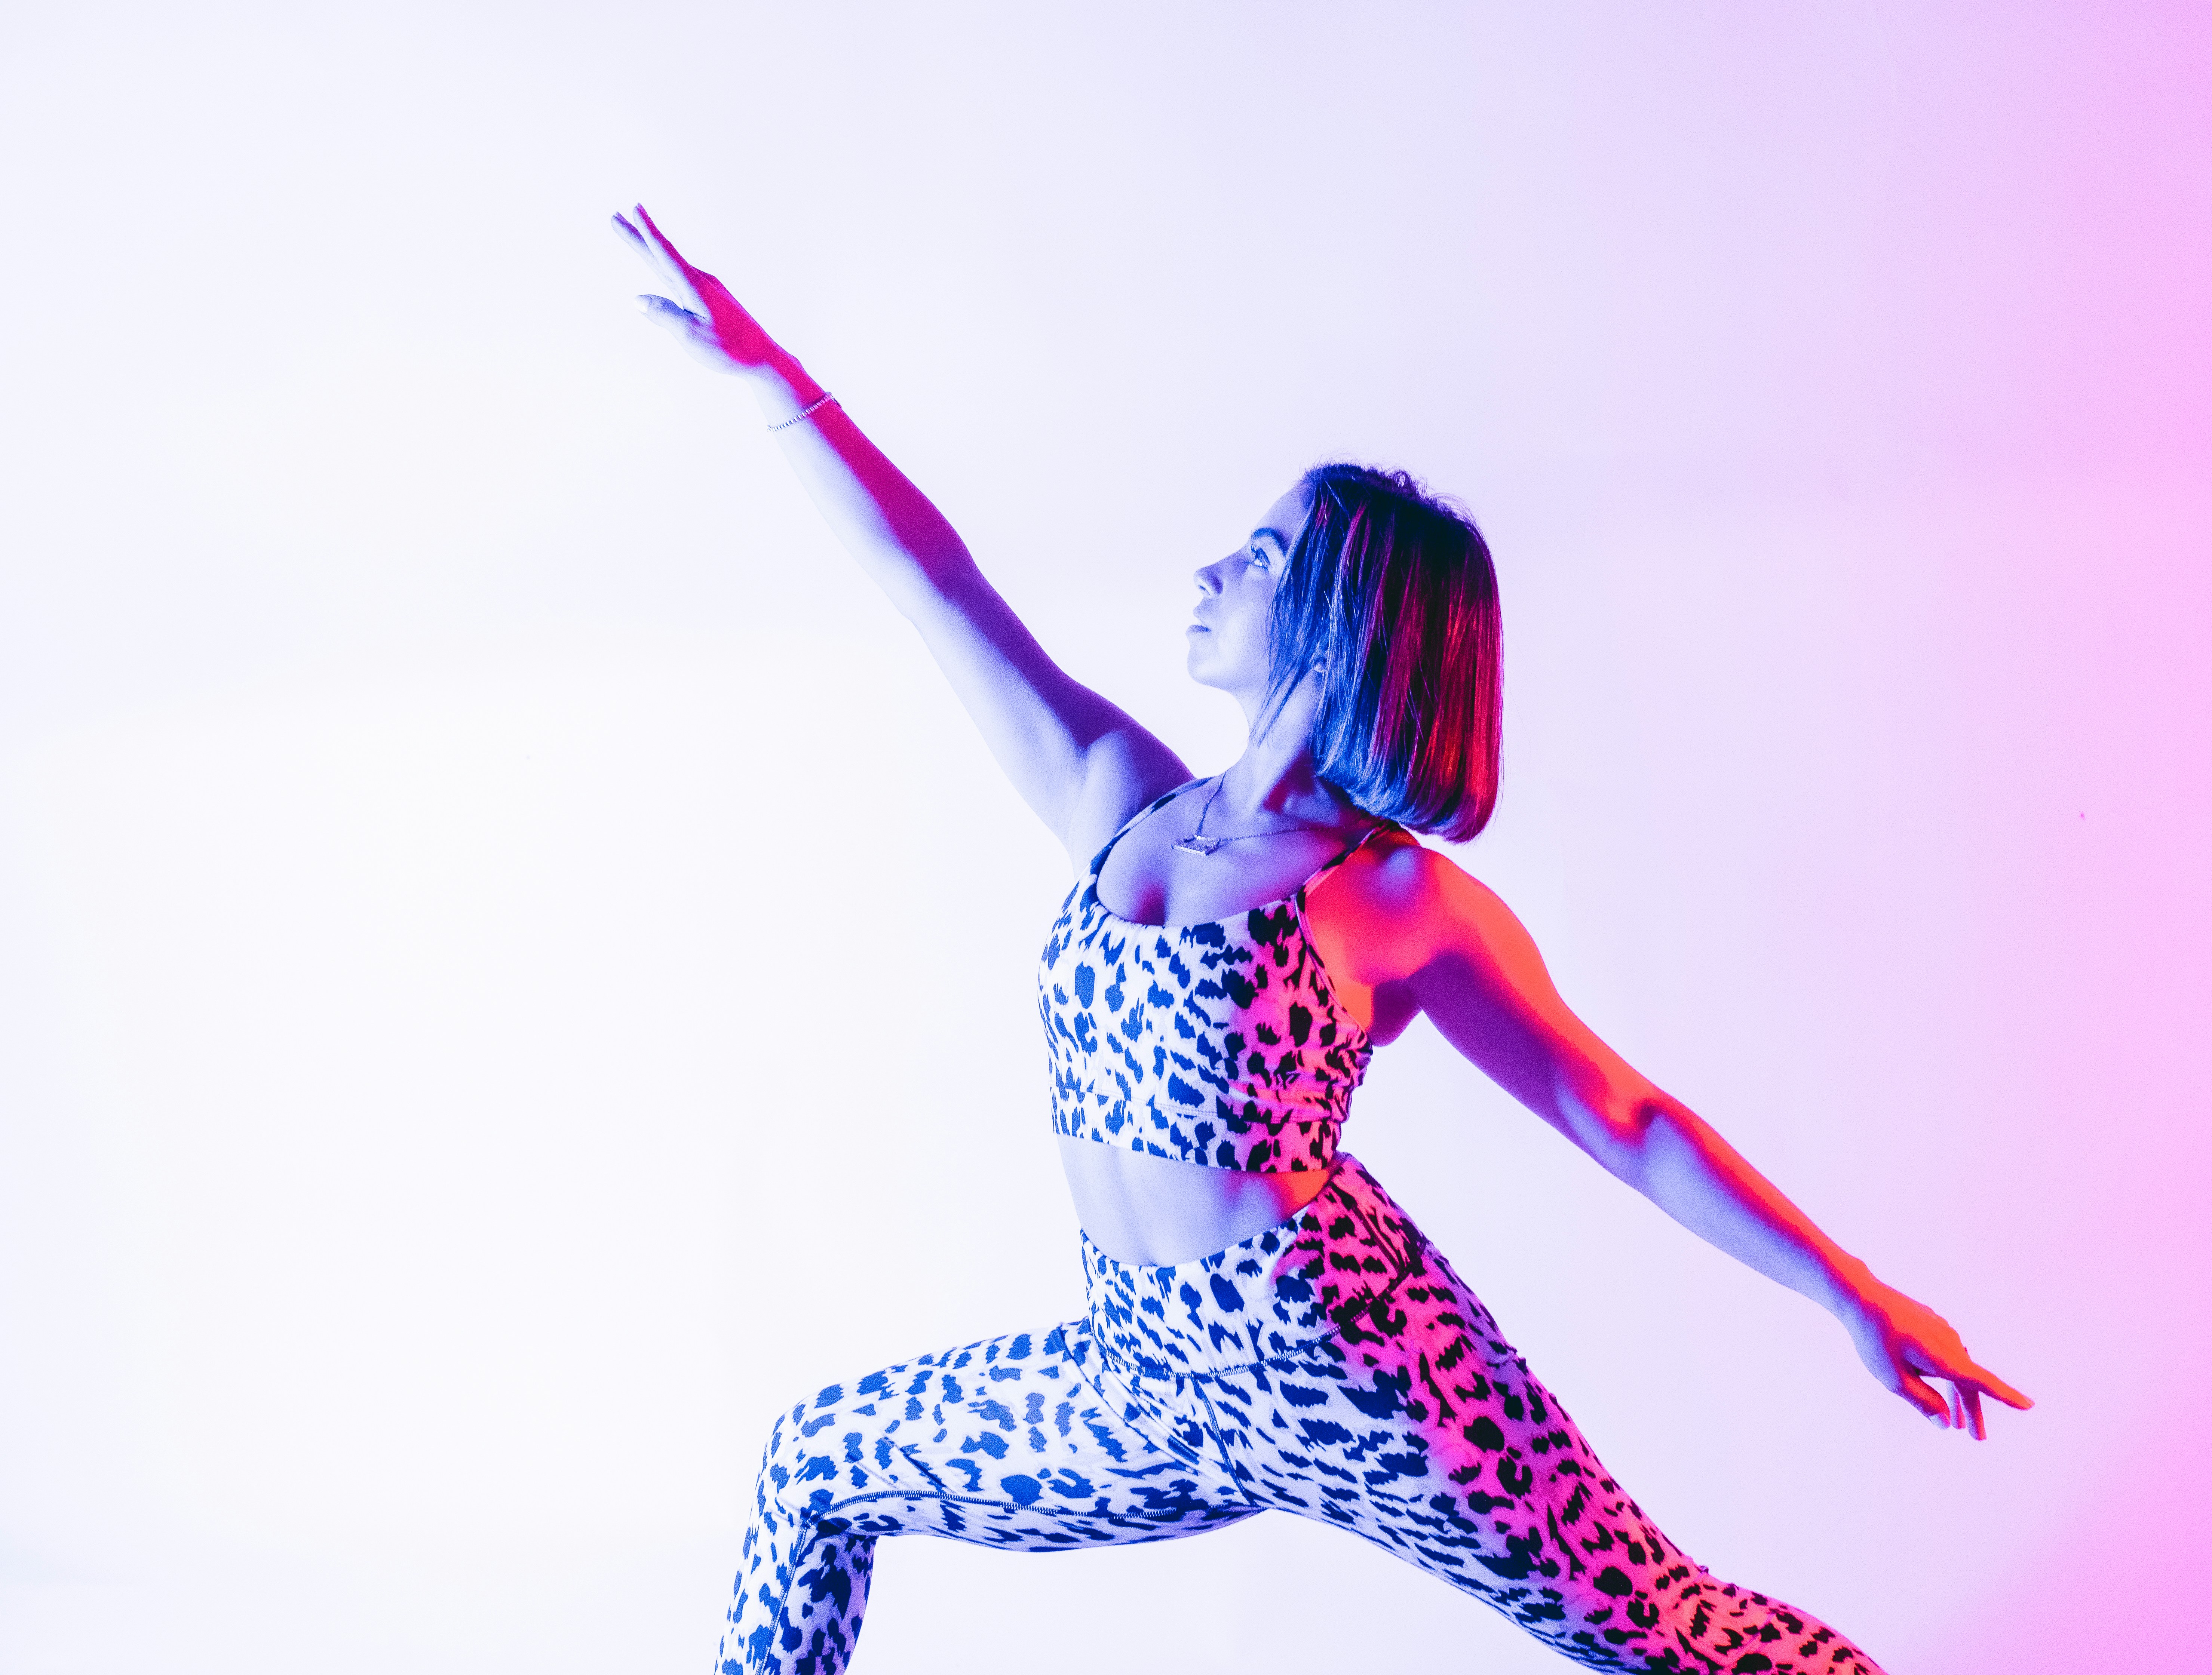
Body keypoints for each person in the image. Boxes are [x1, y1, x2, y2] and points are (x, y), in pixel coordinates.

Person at [614, 205, 2028, 1675]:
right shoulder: (1118, 800)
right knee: (811, 1468)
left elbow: (1626, 1117)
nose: (1217, 569)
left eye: (1264, 550)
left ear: (1342, 617)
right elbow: (937, 580)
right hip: (1139, 1378)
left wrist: (1851, 1292)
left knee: (1667, 1631)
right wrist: (779, 380)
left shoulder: (1390, 898)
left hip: (1350, 1362)